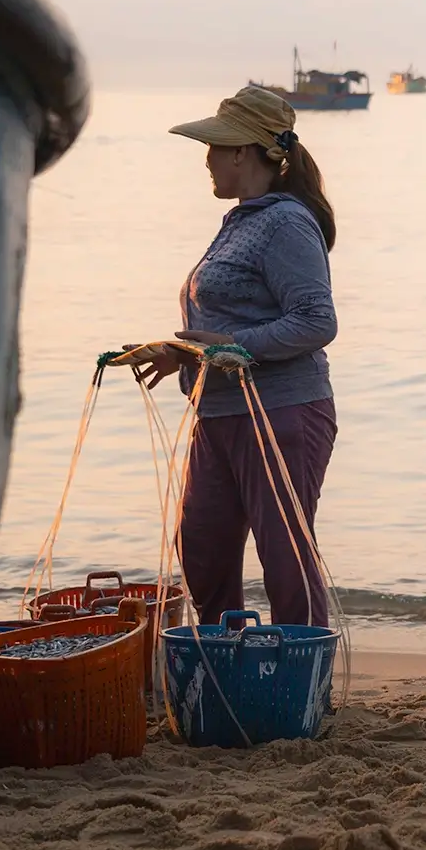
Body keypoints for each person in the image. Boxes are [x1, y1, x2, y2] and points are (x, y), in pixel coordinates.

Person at [134, 85, 339, 628]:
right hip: (219, 414)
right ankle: (230, 660)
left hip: (282, 413)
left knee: (285, 559)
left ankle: (299, 680)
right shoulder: (245, 219)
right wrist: (180, 352)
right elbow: (228, 326)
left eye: (214, 147)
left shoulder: (286, 222)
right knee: (201, 547)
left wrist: (231, 349)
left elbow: (318, 321)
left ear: (244, 152)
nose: (206, 160)